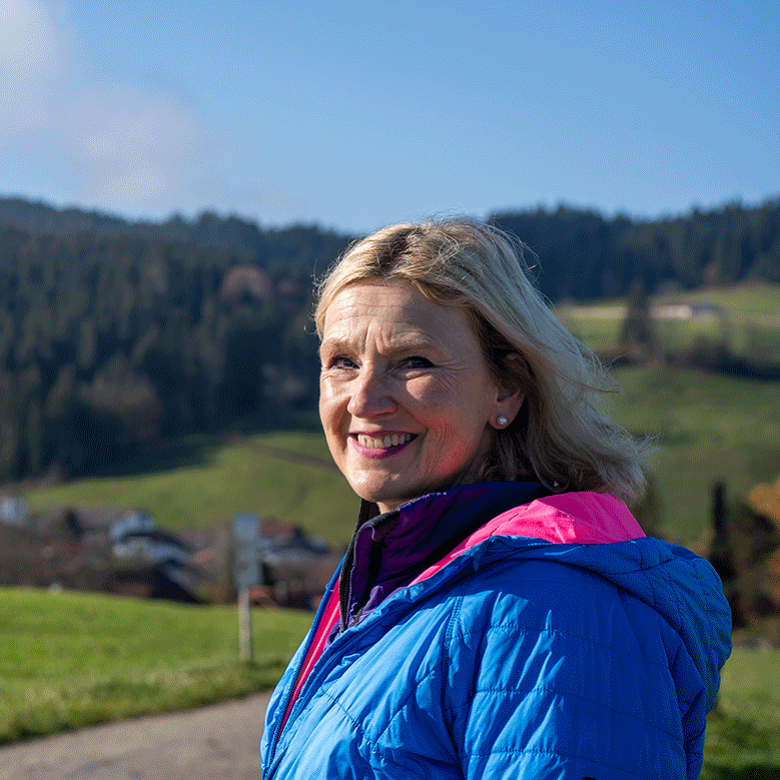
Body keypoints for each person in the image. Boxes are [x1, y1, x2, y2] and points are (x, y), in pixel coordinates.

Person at [260, 218, 732, 779]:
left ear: (505, 389)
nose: (363, 398)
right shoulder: (395, 577)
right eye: (342, 362)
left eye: (413, 361)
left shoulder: (552, 610)